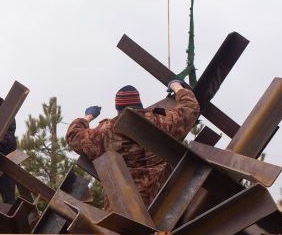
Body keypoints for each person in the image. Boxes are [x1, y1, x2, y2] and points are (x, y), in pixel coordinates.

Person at [66, 81, 199, 208]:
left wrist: (88, 116)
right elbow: (190, 108)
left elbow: (73, 136)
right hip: (161, 205)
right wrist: (176, 86)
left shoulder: (105, 132)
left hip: (121, 212)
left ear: (118, 111)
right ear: (140, 105)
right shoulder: (161, 123)